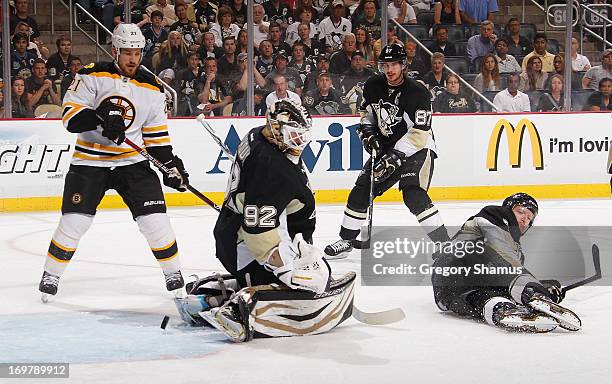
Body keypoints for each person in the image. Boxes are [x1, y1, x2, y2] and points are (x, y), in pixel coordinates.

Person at [174, 99, 354, 342]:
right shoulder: (272, 168)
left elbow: (252, 200)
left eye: (302, 135)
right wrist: (285, 269)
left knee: (309, 274)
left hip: (233, 234)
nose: (300, 142)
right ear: (276, 128)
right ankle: (238, 310)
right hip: (249, 246)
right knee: (310, 284)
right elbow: (259, 230)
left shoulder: (257, 136)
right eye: (294, 135)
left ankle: (207, 295)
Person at [38, 24, 190, 300]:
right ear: (115, 51)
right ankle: (51, 274)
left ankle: (173, 273)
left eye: (137, 53)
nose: (133, 59)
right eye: (127, 53)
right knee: (74, 222)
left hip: (132, 163)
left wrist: (171, 166)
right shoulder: (91, 75)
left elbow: (156, 140)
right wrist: (100, 118)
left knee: (155, 222)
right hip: (90, 161)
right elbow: (70, 118)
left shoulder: (153, 88)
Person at [324, 44, 450, 259]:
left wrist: (396, 155)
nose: (389, 69)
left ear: (403, 65)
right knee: (362, 189)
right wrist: (368, 132)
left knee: (413, 193)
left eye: (394, 65)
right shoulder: (373, 85)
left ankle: (445, 245)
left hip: (418, 149)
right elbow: (367, 113)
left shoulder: (417, 92)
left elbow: (420, 132)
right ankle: (346, 239)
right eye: (385, 65)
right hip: (387, 148)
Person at [431, 193, 581, 332]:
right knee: (510, 274)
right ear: (508, 209)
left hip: (447, 290)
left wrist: (544, 286)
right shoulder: (494, 215)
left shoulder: (516, 253)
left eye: (529, 218)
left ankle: (501, 310)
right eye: (521, 211)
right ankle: (533, 293)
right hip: (456, 262)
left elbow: (503, 275)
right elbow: (504, 259)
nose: (525, 219)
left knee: (480, 298)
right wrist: (537, 290)